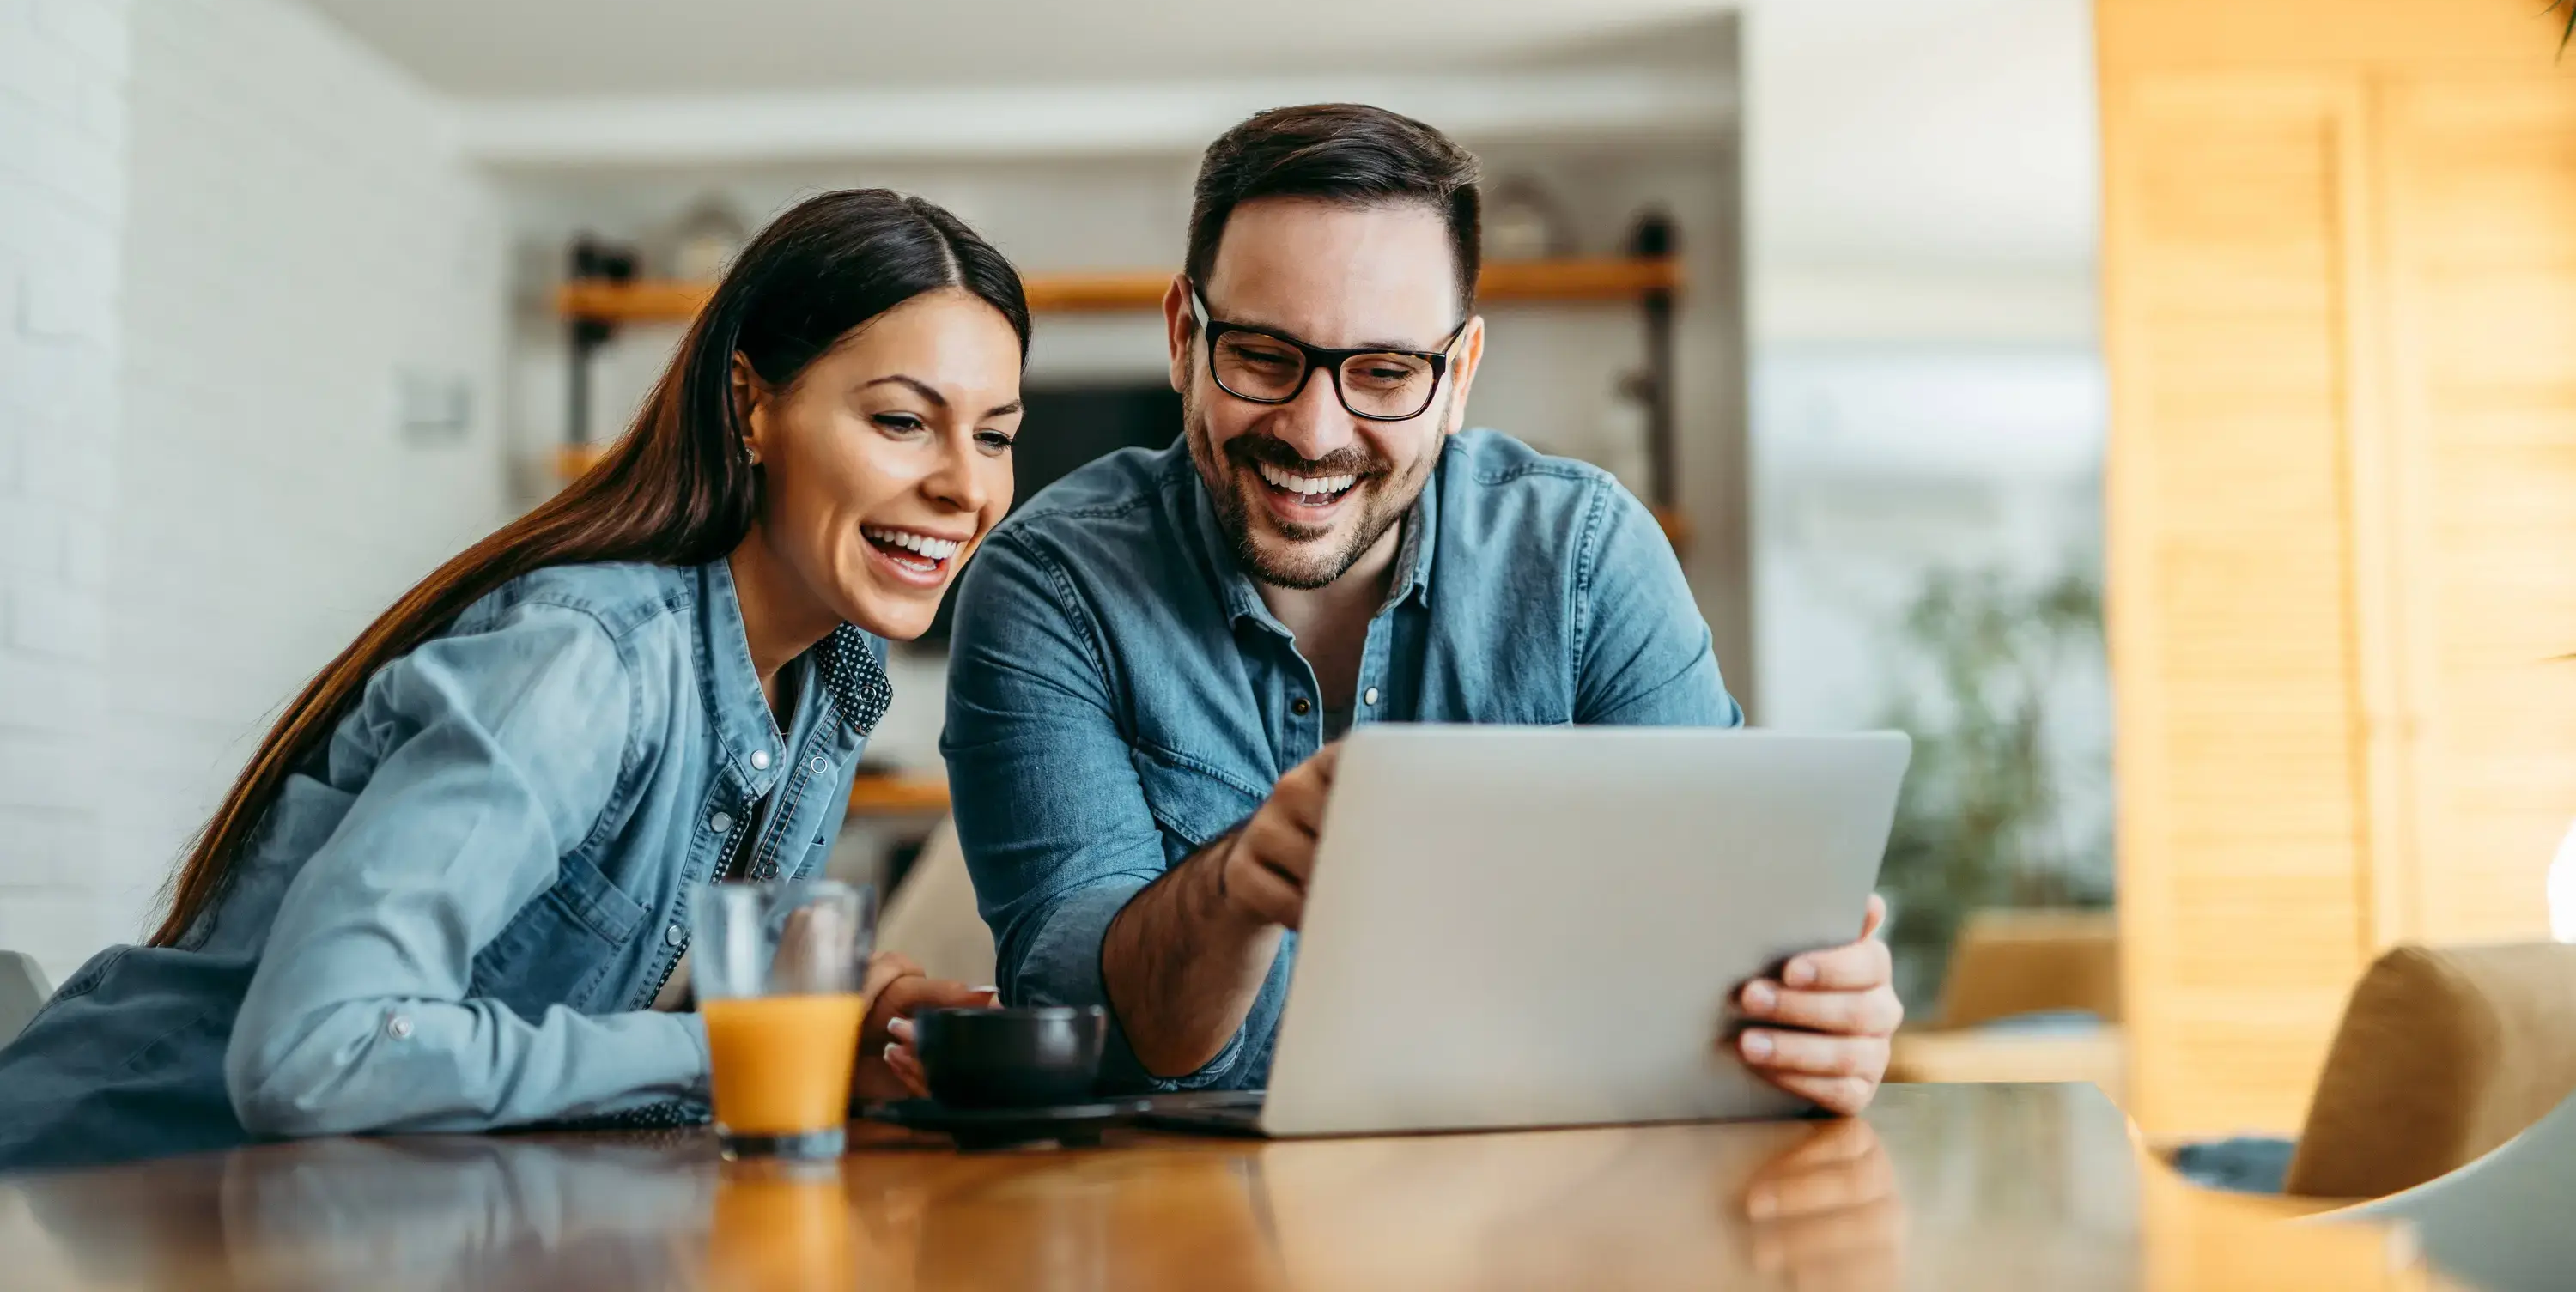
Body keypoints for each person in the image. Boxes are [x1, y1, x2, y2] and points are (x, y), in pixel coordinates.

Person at [0, 191, 1019, 1169]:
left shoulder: (828, 683)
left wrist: (856, 1015)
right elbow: (316, 1051)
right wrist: (755, 1051)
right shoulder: (584, 660)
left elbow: (676, 1011)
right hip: (91, 1196)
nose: (966, 486)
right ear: (750, 404)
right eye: (900, 420)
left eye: (994, 435)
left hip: (346, 1222)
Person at [945, 104, 1901, 1113]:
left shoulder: (1586, 557)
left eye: (1386, 372)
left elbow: (1716, 950)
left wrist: (1815, 1023)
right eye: (1264, 357)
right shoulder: (1048, 585)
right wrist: (1233, 892)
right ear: (1185, 335)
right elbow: (1083, 1031)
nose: (1315, 432)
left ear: (1459, 376)